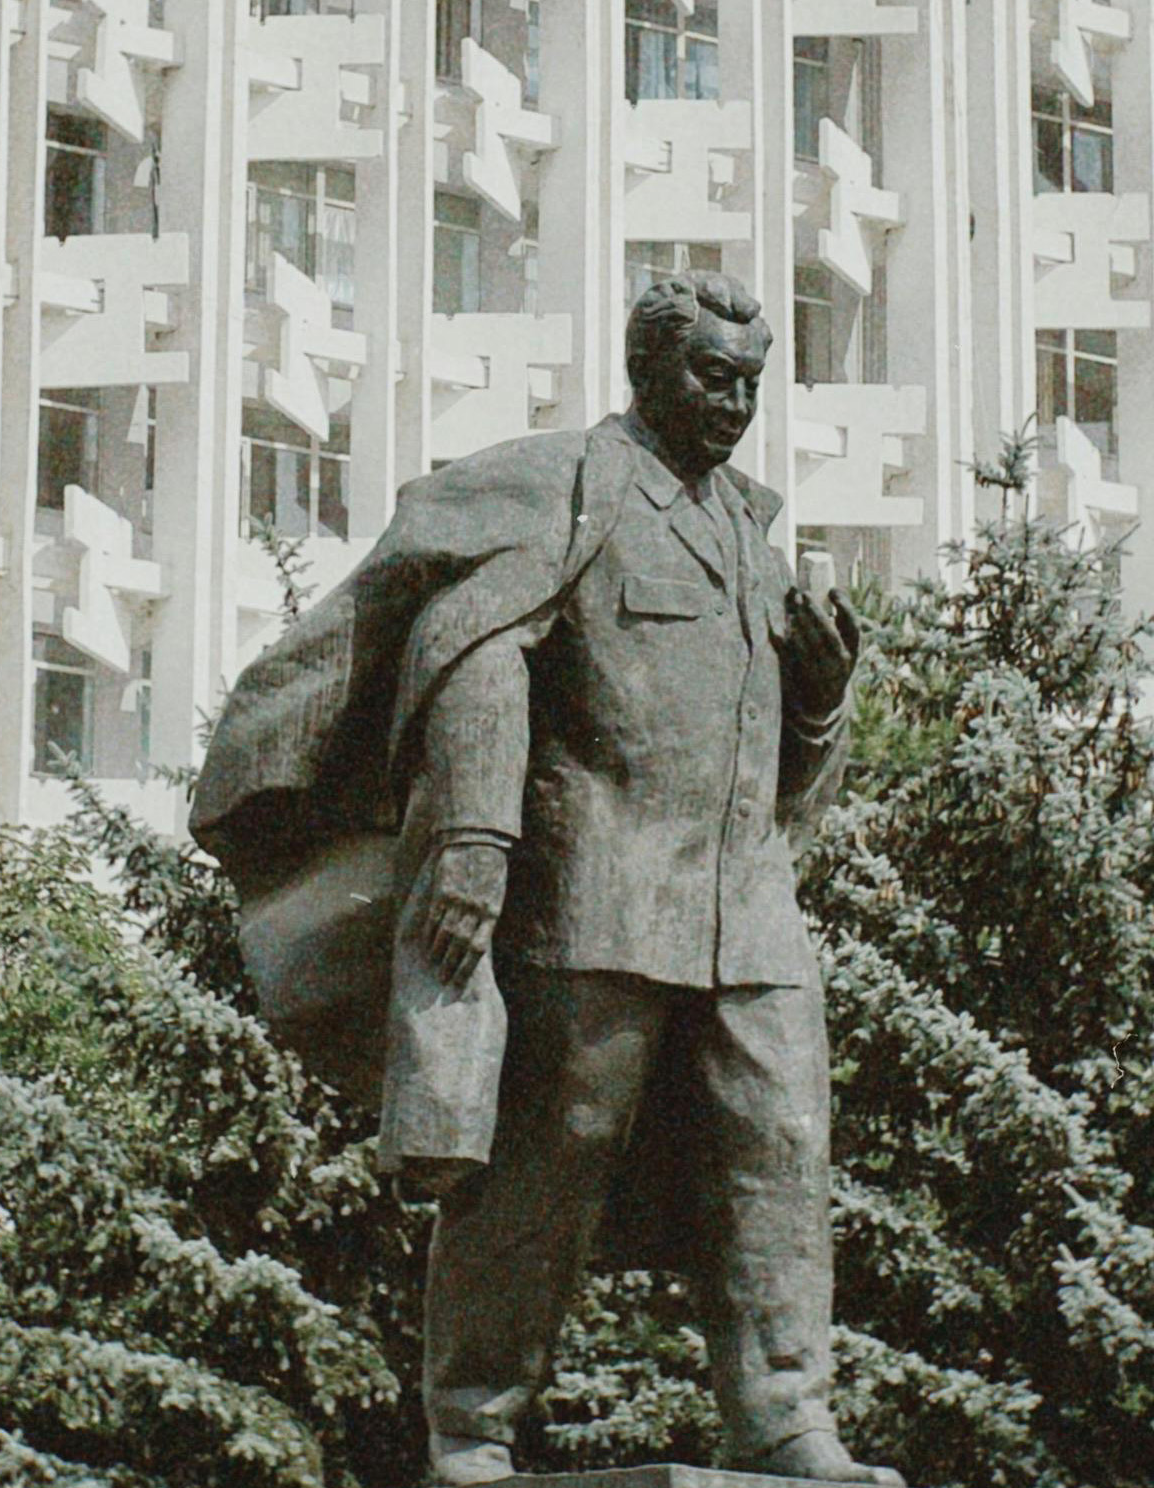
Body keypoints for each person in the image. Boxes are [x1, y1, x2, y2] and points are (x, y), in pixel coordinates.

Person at [191, 273, 895, 1487]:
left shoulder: (749, 533)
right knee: (543, 1164)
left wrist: (824, 697)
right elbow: (473, 651)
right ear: (647, 369)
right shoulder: (573, 491)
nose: (732, 404)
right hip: (595, 893)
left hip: (750, 914)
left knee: (780, 1150)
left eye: (749, 384)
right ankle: (470, 1426)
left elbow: (785, 784)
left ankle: (783, 1416)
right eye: (709, 377)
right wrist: (471, 840)